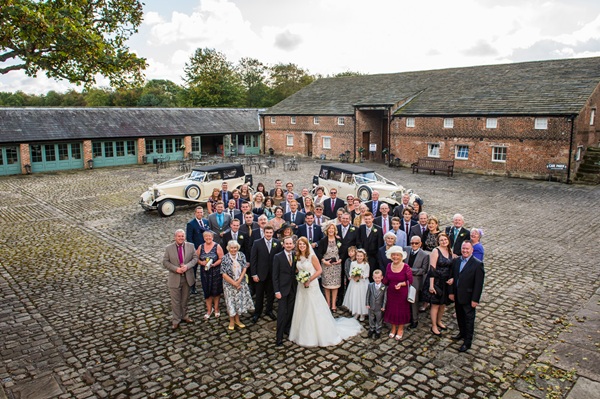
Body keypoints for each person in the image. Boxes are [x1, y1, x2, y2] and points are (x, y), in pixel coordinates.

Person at [288, 237, 362, 347]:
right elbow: (298, 269)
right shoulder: (298, 256)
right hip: (301, 286)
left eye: (304, 244)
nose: (302, 246)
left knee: (312, 307)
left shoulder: (312, 256)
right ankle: (300, 332)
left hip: (311, 285)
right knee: (301, 306)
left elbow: (319, 271)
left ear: (307, 245)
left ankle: (316, 333)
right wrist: (300, 277)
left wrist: (309, 280)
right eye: (300, 245)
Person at [449, 241, 485, 352]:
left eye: (467, 249)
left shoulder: (477, 264)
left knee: (469, 319)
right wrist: (451, 292)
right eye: (463, 248)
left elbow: (478, 284)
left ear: (472, 250)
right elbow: (453, 277)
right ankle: (461, 333)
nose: (465, 251)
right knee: (460, 316)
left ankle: (467, 341)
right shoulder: (456, 261)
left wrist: (475, 299)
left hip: (469, 297)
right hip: (458, 295)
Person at [163, 229, 197, 330]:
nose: (181, 238)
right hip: (175, 278)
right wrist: (176, 269)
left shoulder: (191, 246)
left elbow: (195, 259)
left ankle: (185, 316)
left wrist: (187, 266)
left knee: (185, 299)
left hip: (187, 277)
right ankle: (176, 320)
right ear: (175, 237)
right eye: (179, 236)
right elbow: (165, 262)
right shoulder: (169, 248)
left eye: (182, 236)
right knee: (175, 301)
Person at [250, 225, 280, 323]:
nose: (268, 234)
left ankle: (269, 310)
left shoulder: (277, 243)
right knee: (259, 295)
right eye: (267, 233)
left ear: (273, 233)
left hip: (272, 274)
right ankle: (257, 312)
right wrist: (254, 274)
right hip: (260, 274)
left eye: (270, 233)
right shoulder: (257, 243)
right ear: (264, 233)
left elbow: (279, 259)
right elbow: (253, 259)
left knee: (270, 294)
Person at [221, 240, 254, 330]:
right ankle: (231, 321)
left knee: (238, 302)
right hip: (229, 284)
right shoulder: (225, 258)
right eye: (231, 248)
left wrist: (239, 281)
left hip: (241, 283)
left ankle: (237, 320)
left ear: (237, 248)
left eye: (235, 248)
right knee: (231, 302)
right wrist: (234, 283)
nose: (233, 250)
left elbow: (244, 268)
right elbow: (223, 274)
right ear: (228, 248)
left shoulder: (241, 255)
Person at [425, 233, 453, 336]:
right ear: (438, 242)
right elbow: (432, 269)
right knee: (435, 304)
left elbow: (452, 267)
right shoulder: (435, 251)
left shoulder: (450, 251)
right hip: (436, 281)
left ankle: (439, 321)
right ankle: (434, 326)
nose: (444, 241)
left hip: (446, 282)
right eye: (441, 240)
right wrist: (431, 285)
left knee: (443, 304)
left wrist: (452, 278)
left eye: (445, 239)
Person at [383, 246, 413, 340]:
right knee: (392, 309)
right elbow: (386, 280)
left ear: (401, 256)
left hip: (402, 293)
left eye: (397, 255)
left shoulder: (406, 267)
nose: (395, 257)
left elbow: (410, 280)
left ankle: (400, 329)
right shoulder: (388, 266)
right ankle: (393, 328)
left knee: (401, 310)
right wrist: (379, 280)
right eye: (393, 255)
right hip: (391, 292)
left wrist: (401, 284)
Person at [272, 237, 298, 346]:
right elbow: (275, 275)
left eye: (290, 243)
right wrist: (276, 290)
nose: (288, 245)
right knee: (282, 313)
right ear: (283, 245)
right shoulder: (278, 257)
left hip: (293, 288)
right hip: (282, 290)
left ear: (293, 245)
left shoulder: (295, 256)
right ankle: (279, 337)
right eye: (286, 243)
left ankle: (287, 328)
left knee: (291, 310)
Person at [403, 236, 430, 329]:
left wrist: (410, 270)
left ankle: (414, 320)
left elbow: (424, 270)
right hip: (404, 279)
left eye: (416, 243)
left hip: (415, 280)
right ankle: (405, 317)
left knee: (414, 300)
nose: (414, 245)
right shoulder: (405, 249)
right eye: (412, 243)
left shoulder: (425, 255)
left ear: (420, 244)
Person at [197, 231, 224, 320]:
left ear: (212, 237)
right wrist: (201, 262)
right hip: (205, 273)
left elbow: (221, 258)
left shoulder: (217, 246)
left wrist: (214, 264)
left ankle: (216, 308)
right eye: (206, 237)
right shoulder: (201, 247)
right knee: (207, 292)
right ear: (204, 238)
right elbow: (196, 258)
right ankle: (209, 310)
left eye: (210, 236)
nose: (208, 238)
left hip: (215, 272)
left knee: (216, 292)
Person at [316, 222, 343, 311]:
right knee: (327, 286)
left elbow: (343, 251)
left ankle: (334, 305)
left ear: (335, 230)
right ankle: (328, 303)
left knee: (335, 286)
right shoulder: (323, 240)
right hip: (326, 266)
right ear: (326, 230)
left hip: (336, 266)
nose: (331, 230)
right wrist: (324, 261)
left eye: (332, 228)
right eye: (329, 228)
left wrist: (340, 260)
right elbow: (319, 253)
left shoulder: (339, 240)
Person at [186, 206, 209, 295]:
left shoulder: (206, 222)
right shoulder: (191, 224)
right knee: (194, 269)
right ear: (195, 213)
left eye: (201, 212)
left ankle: (206, 285)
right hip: (196, 250)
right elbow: (189, 238)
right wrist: (194, 250)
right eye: (198, 212)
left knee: (206, 268)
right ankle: (192, 286)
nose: (200, 214)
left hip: (206, 249)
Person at [342, 248, 370, 320]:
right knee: (355, 296)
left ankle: (362, 314)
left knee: (362, 297)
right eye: (358, 256)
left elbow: (367, 274)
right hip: (354, 283)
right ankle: (356, 312)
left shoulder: (366, 264)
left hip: (362, 283)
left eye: (361, 256)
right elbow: (350, 272)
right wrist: (353, 276)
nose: (359, 257)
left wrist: (360, 276)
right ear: (355, 256)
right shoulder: (353, 263)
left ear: (364, 256)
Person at [356, 212, 384, 279]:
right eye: (366, 219)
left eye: (369, 219)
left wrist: (377, 257)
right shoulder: (361, 228)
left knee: (371, 274)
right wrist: (361, 251)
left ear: (372, 219)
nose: (367, 221)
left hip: (373, 257)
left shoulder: (378, 229)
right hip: (362, 256)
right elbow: (358, 240)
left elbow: (380, 244)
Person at [366, 269, 387, 339]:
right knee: (371, 318)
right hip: (371, 306)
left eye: (378, 278)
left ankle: (378, 330)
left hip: (379, 307)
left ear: (382, 277)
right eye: (375, 278)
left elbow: (385, 298)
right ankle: (371, 329)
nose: (377, 279)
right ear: (373, 277)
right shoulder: (370, 285)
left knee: (379, 319)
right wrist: (367, 303)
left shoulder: (384, 287)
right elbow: (368, 295)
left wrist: (383, 306)